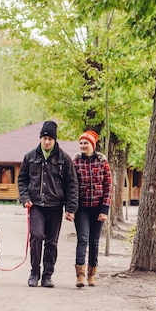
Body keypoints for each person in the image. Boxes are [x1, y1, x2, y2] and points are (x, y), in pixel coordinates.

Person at [17, 121, 79, 288]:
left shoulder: (64, 159)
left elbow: (72, 184)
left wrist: (71, 208)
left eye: (50, 139)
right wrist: (25, 198)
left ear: (54, 140)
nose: (46, 142)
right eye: (44, 138)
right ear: (40, 138)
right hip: (36, 204)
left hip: (55, 206)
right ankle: (34, 273)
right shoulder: (30, 157)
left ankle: (47, 275)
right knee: (36, 236)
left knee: (52, 242)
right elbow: (22, 180)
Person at [72, 130, 112, 287]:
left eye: (85, 143)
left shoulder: (102, 162)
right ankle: (80, 275)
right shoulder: (75, 163)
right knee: (83, 239)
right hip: (81, 208)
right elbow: (72, 186)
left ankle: (92, 275)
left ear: (92, 145)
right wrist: (71, 208)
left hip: (98, 208)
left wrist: (105, 210)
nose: (83, 146)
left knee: (94, 241)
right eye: (81, 143)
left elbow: (108, 186)